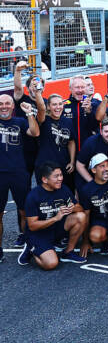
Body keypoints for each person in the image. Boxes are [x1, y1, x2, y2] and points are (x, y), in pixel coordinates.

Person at [18, 163, 87, 268]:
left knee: (80, 216)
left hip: (56, 228)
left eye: (61, 175)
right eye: (56, 176)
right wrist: (55, 218)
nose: (60, 179)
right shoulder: (34, 196)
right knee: (51, 264)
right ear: (45, 180)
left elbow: (80, 208)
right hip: (39, 234)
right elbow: (32, 226)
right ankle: (31, 249)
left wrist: (71, 208)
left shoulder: (63, 189)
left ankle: (68, 252)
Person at [0, 94, 40, 257]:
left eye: (7, 103)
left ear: (13, 106)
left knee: (24, 211)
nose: (4, 106)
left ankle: (27, 245)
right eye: (1, 104)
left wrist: (30, 113)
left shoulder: (20, 122)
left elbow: (35, 132)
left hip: (19, 172)